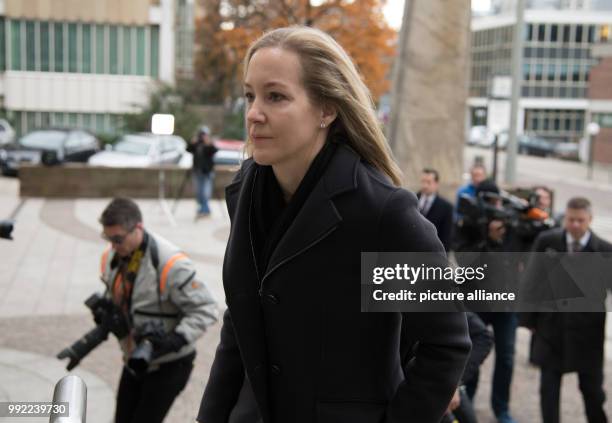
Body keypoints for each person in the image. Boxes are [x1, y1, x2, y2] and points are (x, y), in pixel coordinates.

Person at [197, 26, 471, 423]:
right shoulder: (244, 191)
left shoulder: (383, 212)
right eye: (249, 95)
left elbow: (445, 345)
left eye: (275, 96)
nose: (254, 113)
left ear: (327, 109)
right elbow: (239, 329)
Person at [98, 197, 218, 423]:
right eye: (107, 238)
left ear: (138, 228)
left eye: (117, 239)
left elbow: (206, 308)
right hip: (135, 359)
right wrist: (107, 312)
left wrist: (177, 339)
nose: (112, 246)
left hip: (171, 363)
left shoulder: (170, 263)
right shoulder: (112, 255)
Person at [520, 197, 612, 423]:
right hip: (551, 330)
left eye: (581, 220)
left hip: (588, 335)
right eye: (571, 220)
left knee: (593, 392)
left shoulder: (604, 250)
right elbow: (531, 280)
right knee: (548, 390)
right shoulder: (547, 242)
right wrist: (529, 320)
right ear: (565, 219)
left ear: (589, 220)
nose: (576, 225)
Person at [417, 168, 454, 251]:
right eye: (423, 181)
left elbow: (446, 238)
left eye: (429, 182)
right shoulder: (411, 200)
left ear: (436, 184)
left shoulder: (446, 207)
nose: (425, 185)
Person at [187, 126, 218, 218]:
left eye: (204, 134)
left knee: (205, 191)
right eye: (201, 134)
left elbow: (214, 151)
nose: (202, 136)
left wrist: (209, 144)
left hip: (207, 172)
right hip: (197, 171)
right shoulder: (197, 144)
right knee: (198, 191)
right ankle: (202, 208)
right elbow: (188, 149)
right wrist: (192, 143)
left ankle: (205, 209)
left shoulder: (209, 144)